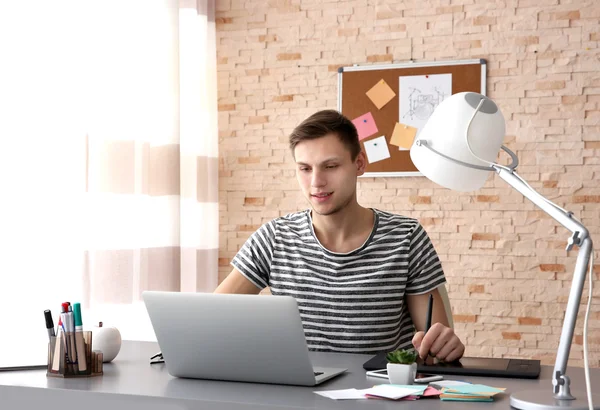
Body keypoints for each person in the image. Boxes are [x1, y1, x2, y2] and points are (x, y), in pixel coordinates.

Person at [215, 109, 465, 362]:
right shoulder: (275, 238)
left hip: (380, 393)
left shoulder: (406, 238)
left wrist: (445, 346)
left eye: (330, 166)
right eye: (304, 168)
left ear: (359, 163)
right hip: (297, 394)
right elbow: (212, 315)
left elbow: (435, 350)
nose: (316, 182)